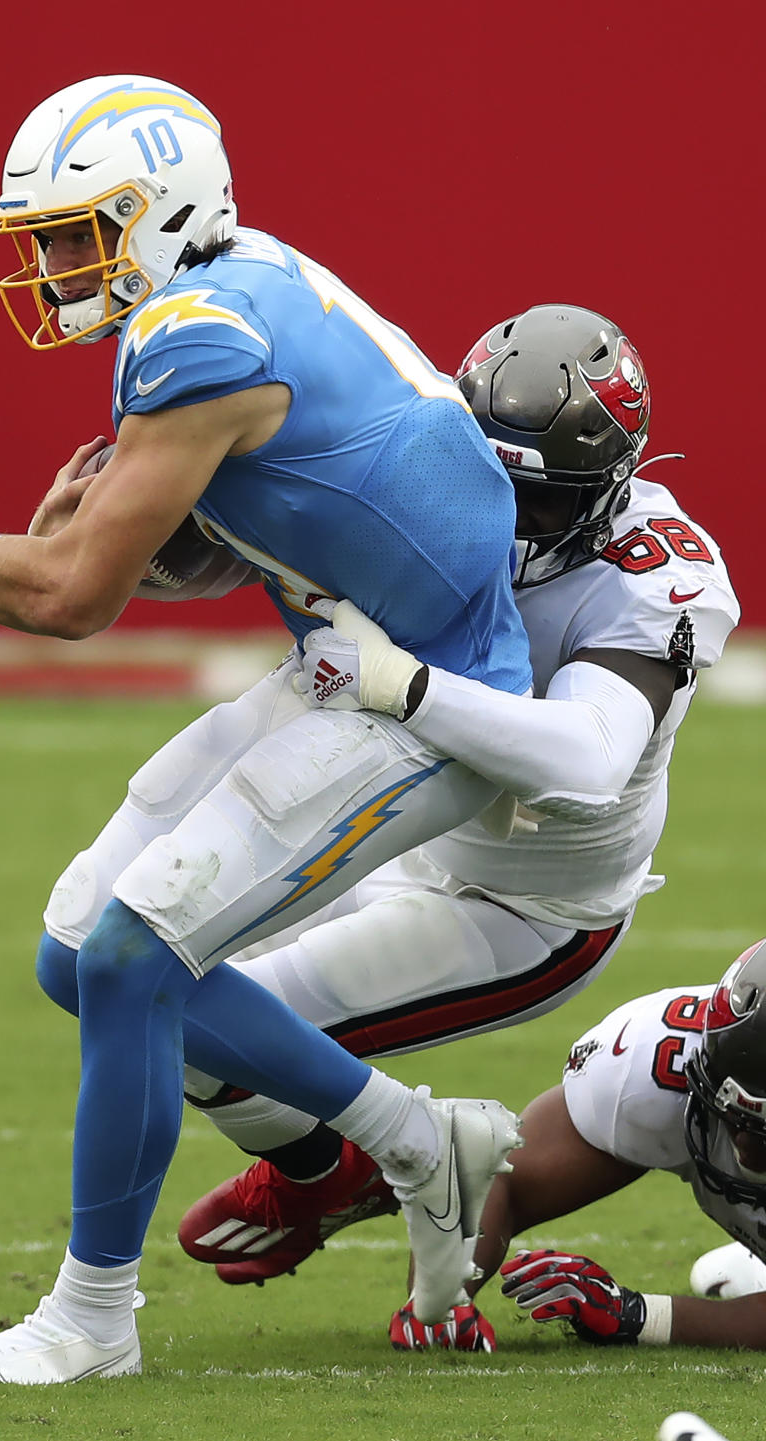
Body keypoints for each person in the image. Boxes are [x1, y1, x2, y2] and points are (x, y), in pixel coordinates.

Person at [0, 76, 533, 1385]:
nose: (60, 265)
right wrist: (78, 534)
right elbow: (225, 528)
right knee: (76, 955)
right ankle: (416, 1142)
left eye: (81, 232)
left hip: (435, 701)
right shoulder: (218, 291)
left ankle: (92, 1318)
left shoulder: (203, 342)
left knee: (131, 955)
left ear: (165, 210)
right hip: (349, 657)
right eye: (50, 240)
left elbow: (74, 599)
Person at [171, 304, 739, 1302]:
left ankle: (376, 1162)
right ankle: (357, 1166)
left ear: (612, 482)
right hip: (403, 833)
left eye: (546, 500)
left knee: (201, 1019)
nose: (510, 522)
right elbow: (243, 546)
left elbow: (590, 758)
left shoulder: (657, 577)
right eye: (495, 484)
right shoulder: (428, 466)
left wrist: (406, 687)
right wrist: (143, 528)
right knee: (155, 982)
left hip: (522, 910)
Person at [391, 936, 766, 1354]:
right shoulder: (653, 1067)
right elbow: (505, 1179)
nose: (745, 1145)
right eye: (735, 1120)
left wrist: (635, 1313)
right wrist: (438, 1297)